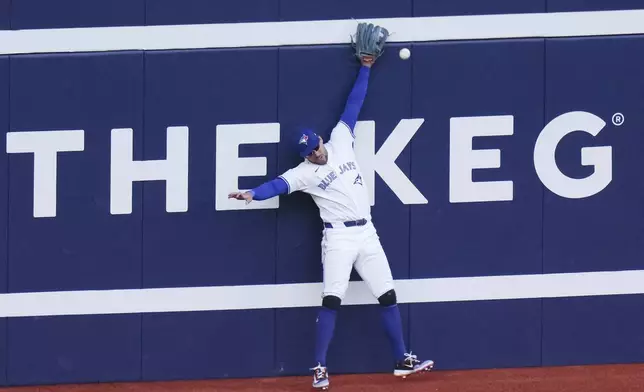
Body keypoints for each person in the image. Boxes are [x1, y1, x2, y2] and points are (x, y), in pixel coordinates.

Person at [228, 54, 434, 390]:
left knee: (387, 295)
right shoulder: (304, 174)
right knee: (332, 299)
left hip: (366, 232)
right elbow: (277, 185)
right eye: (311, 153)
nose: (317, 153)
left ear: (320, 139)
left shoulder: (340, 139)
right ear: (305, 156)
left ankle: (401, 359)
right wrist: (254, 193)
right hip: (338, 239)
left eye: (317, 147)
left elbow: (354, 103)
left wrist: (366, 67)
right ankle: (320, 367)